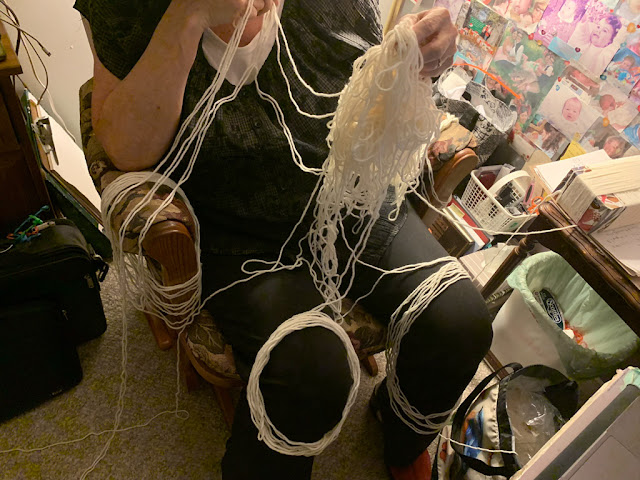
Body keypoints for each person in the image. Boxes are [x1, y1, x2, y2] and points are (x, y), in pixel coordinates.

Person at [74, 1, 491, 479]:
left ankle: (401, 433)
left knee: (460, 321)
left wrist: (412, 59)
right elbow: (126, 150)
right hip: (236, 228)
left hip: (345, 194)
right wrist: (188, 16)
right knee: (310, 374)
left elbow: (366, 82)